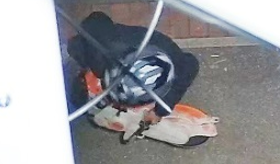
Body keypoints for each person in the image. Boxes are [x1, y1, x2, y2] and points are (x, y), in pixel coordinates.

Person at [66, 11, 200, 125]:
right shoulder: (102, 48)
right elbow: (95, 20)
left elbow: (189, 69)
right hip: (109, 49)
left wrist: (160, 110)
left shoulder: (178, 61)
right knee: (75, 50)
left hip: (113, 53)